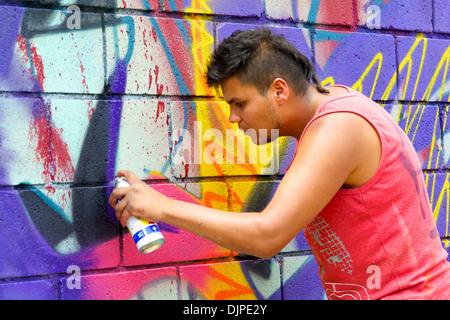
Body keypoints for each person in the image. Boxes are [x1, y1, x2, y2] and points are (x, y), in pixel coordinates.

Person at [109, 28, 450, 300]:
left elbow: (267, 235)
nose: (233, 118)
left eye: (240, 103)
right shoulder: (334, 113)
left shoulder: (338, 128)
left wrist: (163, 207)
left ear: (279, 91)